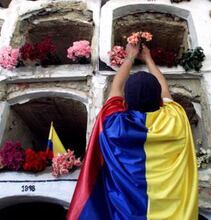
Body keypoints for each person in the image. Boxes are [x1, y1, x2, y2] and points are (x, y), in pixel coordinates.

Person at [67, 43, 198, 220]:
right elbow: (164, 88)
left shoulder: (114, 124)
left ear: (125, 102)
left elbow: (116, 88)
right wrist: (148, 59)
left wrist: (129, 57)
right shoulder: (175, 118)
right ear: (159, 99)